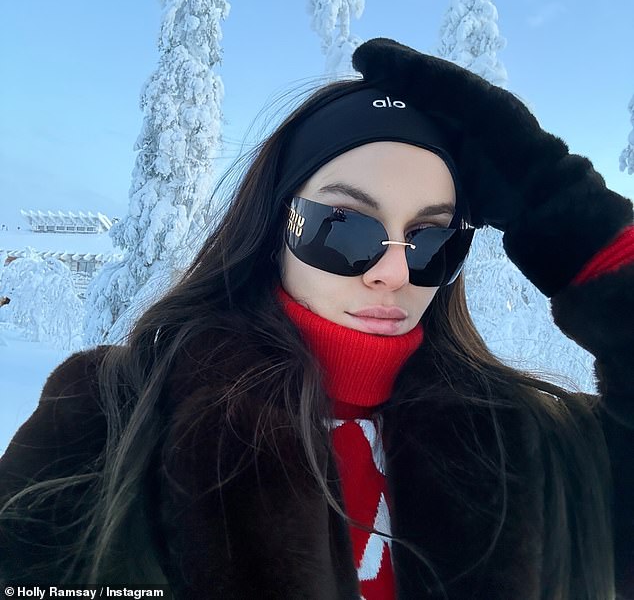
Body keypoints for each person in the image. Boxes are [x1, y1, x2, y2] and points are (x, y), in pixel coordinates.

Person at [1, 38, 633, 599]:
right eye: (343, 227)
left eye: (431, 240)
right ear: (275, 224)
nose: (393, 272)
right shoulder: (114, 415)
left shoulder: (535, 448)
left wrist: (570, 217)